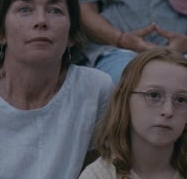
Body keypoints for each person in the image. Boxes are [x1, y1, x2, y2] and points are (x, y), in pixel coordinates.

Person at [0, 0, 114, 179]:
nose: (41, 21)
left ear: (72, 35)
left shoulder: (95, 89)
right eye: (25, 9)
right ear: (0, 33)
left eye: (55, 10)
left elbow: (97, 171)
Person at [79, 48, 187, 179]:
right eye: (154, 95)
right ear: (125, 101)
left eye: (181, 99)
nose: (168, 111)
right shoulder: (98, 176)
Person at [77, 0, 187, 84]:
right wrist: (120, 39)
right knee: (124, 82)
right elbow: (84, 8)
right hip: (117, 49)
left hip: (182, 49)